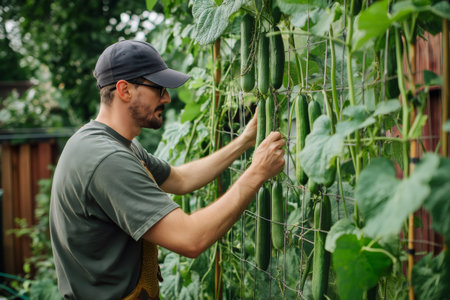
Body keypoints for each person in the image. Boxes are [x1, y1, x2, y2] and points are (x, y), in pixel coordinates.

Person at [49, 39, 285, 300]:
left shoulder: (112, 143)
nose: (167, 97)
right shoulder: (107, 159)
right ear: (125, 90)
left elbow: (181, 179)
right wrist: (256, 173)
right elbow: (191, 239)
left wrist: (244, 141)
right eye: (158, 88)